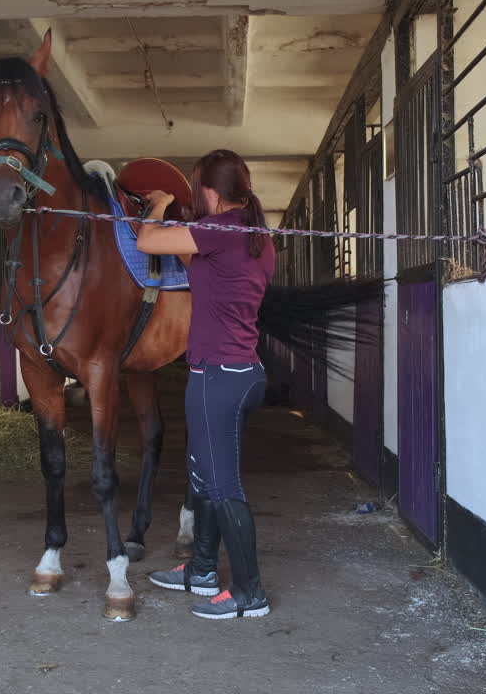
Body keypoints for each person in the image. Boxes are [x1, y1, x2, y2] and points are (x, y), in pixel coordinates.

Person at [135, 149, 276, 620]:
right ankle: (201, 571)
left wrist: (157, 203)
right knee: (202, 476)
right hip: (233, 372)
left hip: (220, 376)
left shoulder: (219, 231)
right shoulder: (255, 236)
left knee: (222, 486)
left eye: (198, 191)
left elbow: (147, 242)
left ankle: (249, 593)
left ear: (210, 192)